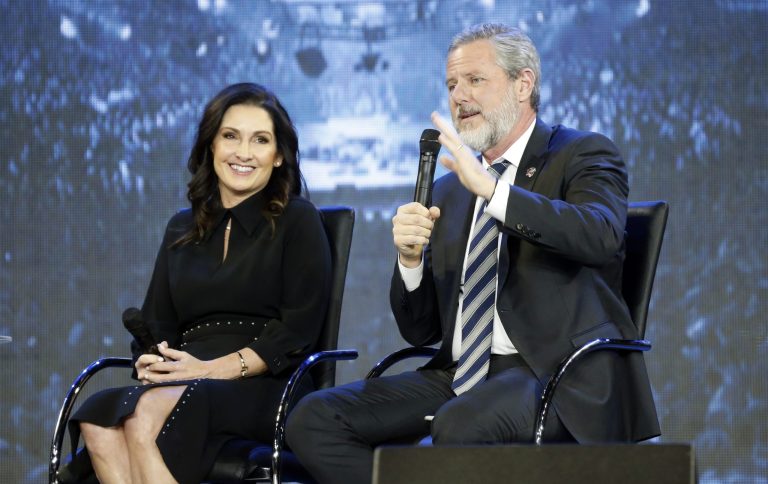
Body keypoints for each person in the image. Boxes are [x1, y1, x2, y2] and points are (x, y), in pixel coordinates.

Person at [286, 23, 660, 483]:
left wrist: (496, 192)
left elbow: (600, 234)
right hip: (460, 374)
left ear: (523, 84)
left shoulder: (582, 153)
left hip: (555, 374)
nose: (459, 96)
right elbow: (420, 329)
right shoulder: (449, 190)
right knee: (314, 419)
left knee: (461, 424)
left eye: (475, 80)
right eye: (451, 85)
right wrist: (409, 263)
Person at [69, 82, 332, 484]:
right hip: (188, 376)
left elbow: (298, 329)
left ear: (279, 155)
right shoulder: (181, 227)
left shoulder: (298, 220)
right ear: (212, 145)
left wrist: (212, 370)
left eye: (260, 140)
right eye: (231, 136)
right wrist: (152, 359)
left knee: (143, 419)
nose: (244, 152)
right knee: (98, 421)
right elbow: (158, 321)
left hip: (267, 380)